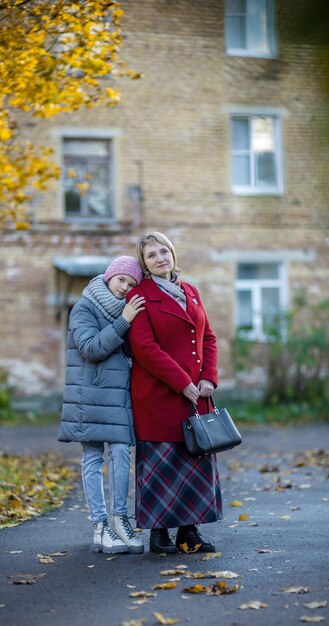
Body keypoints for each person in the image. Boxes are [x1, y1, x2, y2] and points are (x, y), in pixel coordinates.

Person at [126, 232, 223, 554]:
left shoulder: (191, 291)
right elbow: (144, 348)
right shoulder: (140, 296)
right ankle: (158, 534)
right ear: (144, 264)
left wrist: (208, 377)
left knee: (195, 461)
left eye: (163, 251)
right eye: (151, 255)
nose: (159, 258)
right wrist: (183, 382)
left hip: (198, 396)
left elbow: (207, 337)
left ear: (173, 254)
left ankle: (189, 533)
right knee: (161, 464)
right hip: (158, 396)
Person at [58, 256, 146, 554]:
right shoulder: (84, 307)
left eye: (132, 284)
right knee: (93, 458)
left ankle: (120, 520)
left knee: (122, 454)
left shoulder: (126, 309)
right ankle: (100, 525)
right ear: (109, 276)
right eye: (122, 280)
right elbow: (91, 348)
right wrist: (125, 321)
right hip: (89, 395)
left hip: (118, 397)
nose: (125, 288)